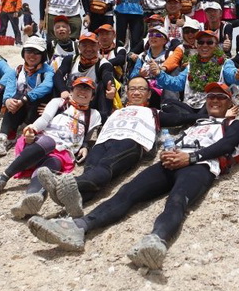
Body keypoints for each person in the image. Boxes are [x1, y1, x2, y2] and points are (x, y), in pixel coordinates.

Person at [27, 82, 239, 270]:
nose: (214, 100)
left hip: (200, 166)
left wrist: (191, 158)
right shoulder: (198, 124)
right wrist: (169, 153)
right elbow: (176, 134)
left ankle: (156, 241)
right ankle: (79, 227)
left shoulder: (234, 124)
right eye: (211, 97)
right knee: (128, 192)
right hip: (171, 162)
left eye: (220, 97)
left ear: (229, 103)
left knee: (177, 200)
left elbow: (227, 145)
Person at [34, 75, 209, 218]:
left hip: (131, 140)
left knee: (105, 168)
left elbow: (183, 118)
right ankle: (69, 210)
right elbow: (84, 115)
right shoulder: (115, 111)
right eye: (132, 89)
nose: (136, 92)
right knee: (91, 174)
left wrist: (210, 114)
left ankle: (62, 184)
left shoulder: (154, 112)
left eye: (141, 89)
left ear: (149, 94)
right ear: (127, 92)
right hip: (103, 141)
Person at [0, 77, 103, 219]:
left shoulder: (94, 115)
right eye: (79, 87)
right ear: (71, 91)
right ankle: (2, 178)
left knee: (49, 167)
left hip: (63, 151)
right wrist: (33, 129)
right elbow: (44, 119)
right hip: (40, 142)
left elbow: (87, 136)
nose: (82, 92)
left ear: (93, 96)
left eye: (87, 89)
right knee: (49, 142)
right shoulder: (59, 102)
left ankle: (32, 197)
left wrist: (85, 147)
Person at [155, 30, 239, 114]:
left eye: (209, 42)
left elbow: (231, 74)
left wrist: (237, 76)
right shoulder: (191, 64)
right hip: (191, 105)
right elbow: (177, 83)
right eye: (201, 42)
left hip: (212, 105)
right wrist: (159, 74)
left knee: (211, 103)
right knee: (167, 104)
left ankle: (192, 119)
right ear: (197, 45)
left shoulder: (224, 62)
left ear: (216, 46)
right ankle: (196, 119)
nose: (204, 45)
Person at [0, 36, 55, 157]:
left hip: (36, 109)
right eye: (28, 51)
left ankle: (25, 132)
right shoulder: (17, 70)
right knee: (13, 98)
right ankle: (3, 137)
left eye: (37, 52)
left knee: (36, 96)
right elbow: (10, 87)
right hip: (20, 106)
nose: (32, 55)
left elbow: (46, 86)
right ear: (23, 53)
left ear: (43, 55)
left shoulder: (48, 71)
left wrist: (25, 99)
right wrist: (7, 100)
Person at [53, 32, 115, 119]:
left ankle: (103, 118)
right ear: (79, 47)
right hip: (70, 98)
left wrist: (111, 88)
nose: (88, 49)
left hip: (90, 102)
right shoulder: (70, 59)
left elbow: (107, 75)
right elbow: (58, 75)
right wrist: (63, 91)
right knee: (55, 82)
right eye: (84, 45)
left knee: (103, 86)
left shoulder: (104, 64)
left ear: (99, 46)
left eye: (92, 45)